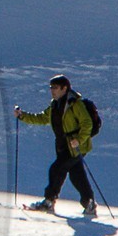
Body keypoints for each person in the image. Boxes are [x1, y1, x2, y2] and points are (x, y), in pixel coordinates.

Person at [14, 74, 96, 216]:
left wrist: (79, 139)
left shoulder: (75, 104)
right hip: (63, 146)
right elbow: (42, 118)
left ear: (65, 88)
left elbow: (87, 123)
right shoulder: (55, 104)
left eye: (56, 88)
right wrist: (22, 116)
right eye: (51, 87)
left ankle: (49, 201)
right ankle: (89, 203)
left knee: (56, 169)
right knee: (76, 175)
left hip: (76, 147)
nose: (52, 90)